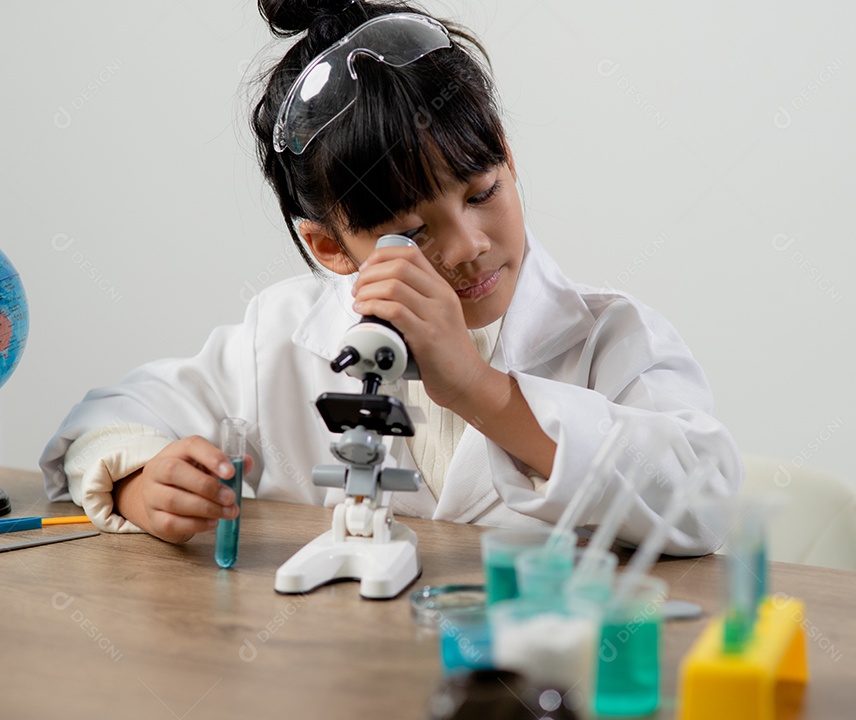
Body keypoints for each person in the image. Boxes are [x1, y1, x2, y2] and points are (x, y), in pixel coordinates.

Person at [39, 0, 742, 555]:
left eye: (481, 191)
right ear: (331, 248)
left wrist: (481, 391)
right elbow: (105, 419)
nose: (468, 245)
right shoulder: (279, 342)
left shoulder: (608, 338)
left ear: (509, 159)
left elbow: (704, 500)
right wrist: (136, 482)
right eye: (409, 231)